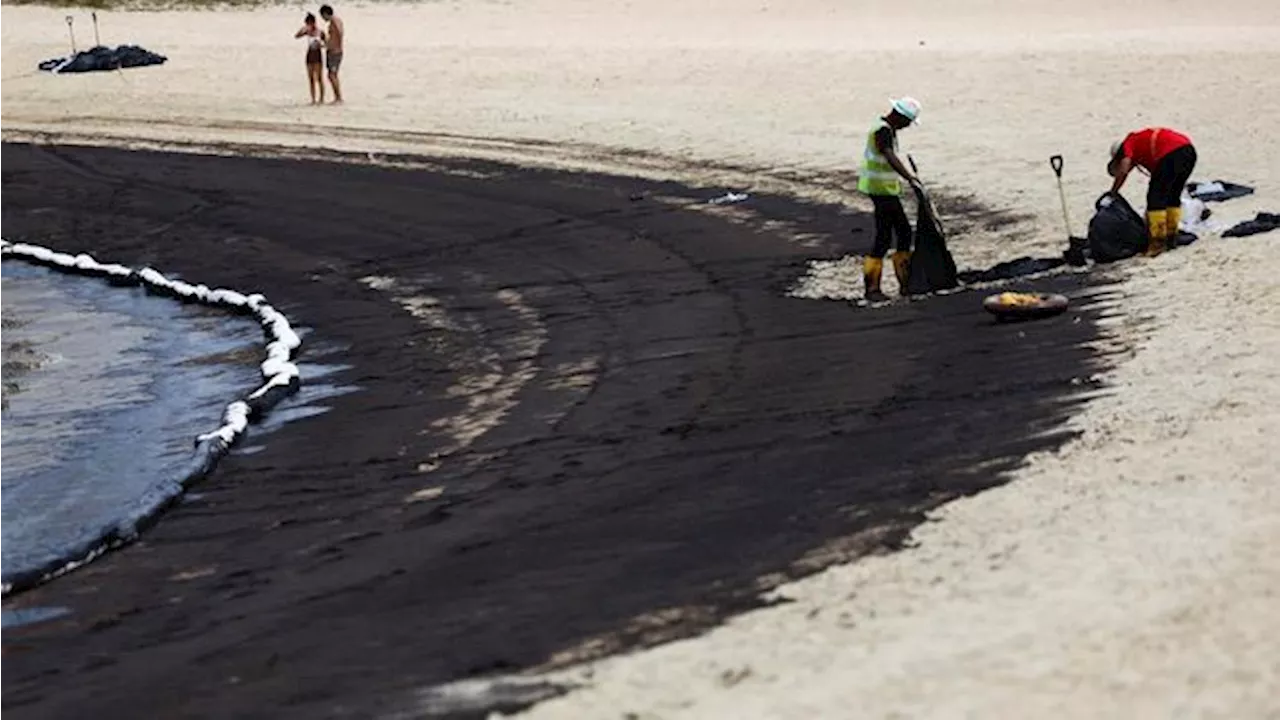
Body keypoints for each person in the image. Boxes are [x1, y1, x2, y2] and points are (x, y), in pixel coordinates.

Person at [856, 97, 923, 302]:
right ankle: (874, 288)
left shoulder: (885, 128)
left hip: (883, 189)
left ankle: (903, 282)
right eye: (908, 122)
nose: (908, 126)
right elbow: (889, 156)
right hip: (880, 190)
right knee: (889, 235)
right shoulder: (883, 130)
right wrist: (909, 177)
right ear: (900, 117)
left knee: (900, 232)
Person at [1107, 126, 1197, 257]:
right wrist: (1114, 190)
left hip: (1171, 153)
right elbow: (1126, 174)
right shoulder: (1142, 149)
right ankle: (1171, 237)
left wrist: (1113, 191)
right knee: (1172, 195)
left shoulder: (1129, 141)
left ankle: (1157, 243)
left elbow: (1125, 166)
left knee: (1155, 199)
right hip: (1188, 151)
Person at [294, 13, 326, 105]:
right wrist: (303, 30)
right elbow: (296, 36)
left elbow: (326, 43)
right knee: (311, 78)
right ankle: (313, 99)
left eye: (309, 23)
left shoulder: (320, 32)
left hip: (318, 55)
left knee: (319, 78)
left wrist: (321, 45)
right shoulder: (307, 31)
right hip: (310, 55)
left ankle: (321, 98)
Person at [320, 4, 344, 104]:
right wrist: (326, 42)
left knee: (332, 75)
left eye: (322, 16)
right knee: (332, 74)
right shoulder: (335, 21)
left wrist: (333, 44)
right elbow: (334, 36)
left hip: (335, 52)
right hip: (334, 50)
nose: (322, 18)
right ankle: (337, 97)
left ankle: (338, 98)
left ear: (326, 13)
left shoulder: (334, 21)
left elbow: (339, 33)